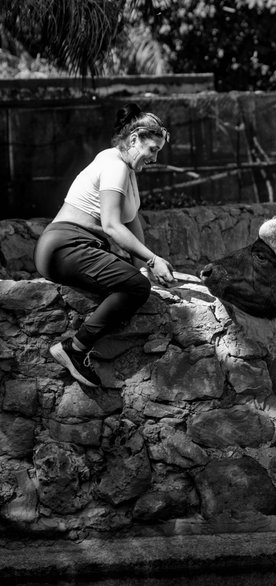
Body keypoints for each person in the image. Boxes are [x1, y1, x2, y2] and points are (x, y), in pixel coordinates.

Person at [34, 103, 175, 388]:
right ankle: (74, 348)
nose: (155, 158)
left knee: (137, 282)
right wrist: (153, 260)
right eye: (153, 149)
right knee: (136, 287)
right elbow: (112, 226)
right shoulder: (114, 166)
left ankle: (77, 347)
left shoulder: (126, 170)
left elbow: (132, 223)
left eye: (158, 151)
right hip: (64, 246)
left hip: (76, 246)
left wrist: (146, 269)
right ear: (133, 140)